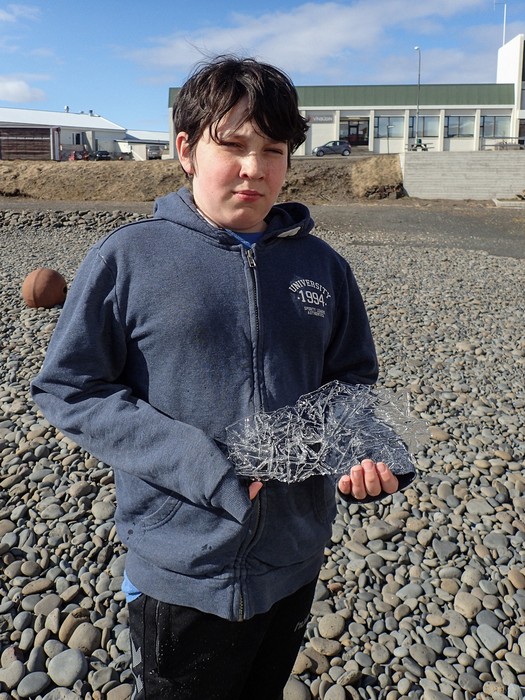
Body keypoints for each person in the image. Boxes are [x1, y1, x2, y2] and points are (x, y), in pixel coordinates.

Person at [31, 56, 410, 700]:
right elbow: (70, 387)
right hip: (183, 564)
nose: (254, 167)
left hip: (293, 557)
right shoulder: (129, 257)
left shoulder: (323, 265)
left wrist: (366, 453)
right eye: (231, 145)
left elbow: (351, 382)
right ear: (186, 149)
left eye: (273, 148)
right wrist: (201, 465)